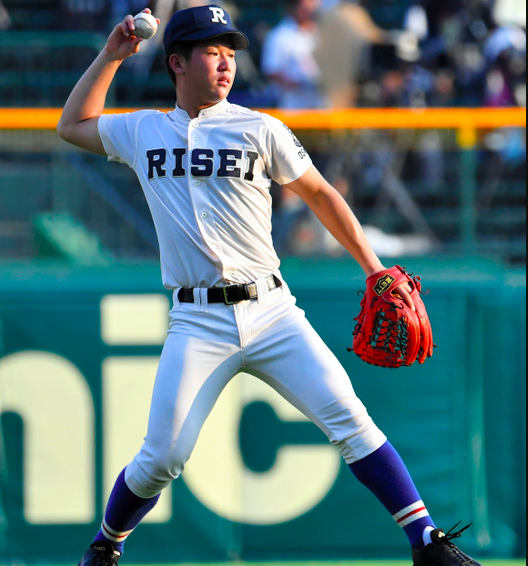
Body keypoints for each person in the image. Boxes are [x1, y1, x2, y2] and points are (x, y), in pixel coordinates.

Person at [57, 6, 483, 566]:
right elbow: (71, 124)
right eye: (212, 52)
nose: (226, 63)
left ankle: (427, 543)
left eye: (231, 53)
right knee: (163, 456)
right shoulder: (142, 129)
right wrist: (112, 55)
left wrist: (375, 267)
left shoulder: (260, 127)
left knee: (351, 420)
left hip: (272, 310)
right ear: (177, 62)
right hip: (198, 320)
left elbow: (323, 194)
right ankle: (104, 548)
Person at [261, 0, 326, 108]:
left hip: (321, 103)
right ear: (295, 7)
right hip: (292, 105)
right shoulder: (280, 34)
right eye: (306, 6)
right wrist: (297, 84)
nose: (310, 10)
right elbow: (271, 70)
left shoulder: (322, 33)